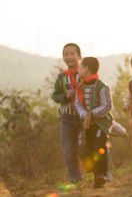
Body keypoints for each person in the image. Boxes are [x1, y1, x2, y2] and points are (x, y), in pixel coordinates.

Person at [74, 57, 113, 188]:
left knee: (99, 148)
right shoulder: (80, 88)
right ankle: (91, 172)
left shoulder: (102, 87)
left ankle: (100, 175)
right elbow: (78, 104)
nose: (77, 70)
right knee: (85, 149)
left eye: (79, 67)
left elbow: (107, 105)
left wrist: (93, 114)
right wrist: (85, 115)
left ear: (86, 69)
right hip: (86, 125)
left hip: (100, 125)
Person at [52, 43, 83, 188]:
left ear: (79, 56)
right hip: (67, 118)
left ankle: (96, 173)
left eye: (72, 54)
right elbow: (55, 96)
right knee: (68, 149)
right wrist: (65, 95)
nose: (69, 57)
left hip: (83, 117)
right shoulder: (61, 77)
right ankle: (75, 179)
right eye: (66, 54)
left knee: (84, 147)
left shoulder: (84, 74)